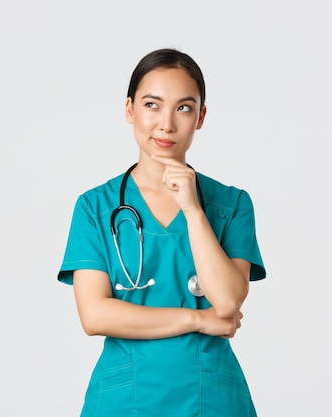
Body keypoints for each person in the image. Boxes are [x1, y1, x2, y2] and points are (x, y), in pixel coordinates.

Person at [57, 48, 267, 416]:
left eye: (183, 108)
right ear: (129, 110)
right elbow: (95, 315)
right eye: (152, 105)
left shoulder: (231, 205)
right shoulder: (94, 207)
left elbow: (229, 301)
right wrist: (198, 319)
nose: (166, 124)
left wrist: (192, 209)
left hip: (212, 399)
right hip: (125, 401)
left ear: (201, 117)